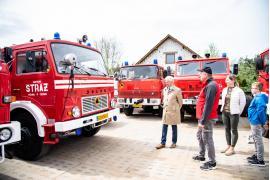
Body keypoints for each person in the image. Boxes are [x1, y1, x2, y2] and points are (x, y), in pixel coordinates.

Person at [192, 66, 220, 171]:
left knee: (208, 139)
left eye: (200, 73)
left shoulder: (212, 85)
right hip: (203, 117)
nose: (199, 75)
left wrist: (203, 121)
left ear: (205, 74)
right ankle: (202, 155)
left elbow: (209, 104)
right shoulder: (208, 85)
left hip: (207, 118)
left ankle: (212, 162)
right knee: (200, 136)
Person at [220, 74, 246, 156]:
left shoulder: (239, 91)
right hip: (225, 112)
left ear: (233, 80)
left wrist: (238, 112)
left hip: (234, 113)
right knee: (226, 129)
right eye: (226, 80)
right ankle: (228, 146)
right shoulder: (224, 89)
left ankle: (232, 148)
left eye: (227, 80)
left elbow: (243, 103)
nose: (226, 81)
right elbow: (223, 101)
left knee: (234, 130)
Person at [156, 76, 183, 149]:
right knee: (164, 126)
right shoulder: (164, 89)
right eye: (165, 81)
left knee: (174, 126)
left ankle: (174, 142)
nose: (165, 83)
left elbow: (180, 102)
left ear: (171, 82)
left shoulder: (177, 90)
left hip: (173, 111)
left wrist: (176, 108)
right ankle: (162, 143)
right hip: (166, 111)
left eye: (167, 82)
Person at [247, 82, 268, 167]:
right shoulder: (258, 97)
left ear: (258, 89)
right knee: (256, 139)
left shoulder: (259, 98)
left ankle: (260, 160)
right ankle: (257, 155)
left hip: (256, 122)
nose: (252, 90)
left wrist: (264, 123)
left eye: (253, 88)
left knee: (258, 140)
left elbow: (261, 111)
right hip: (254, 121)